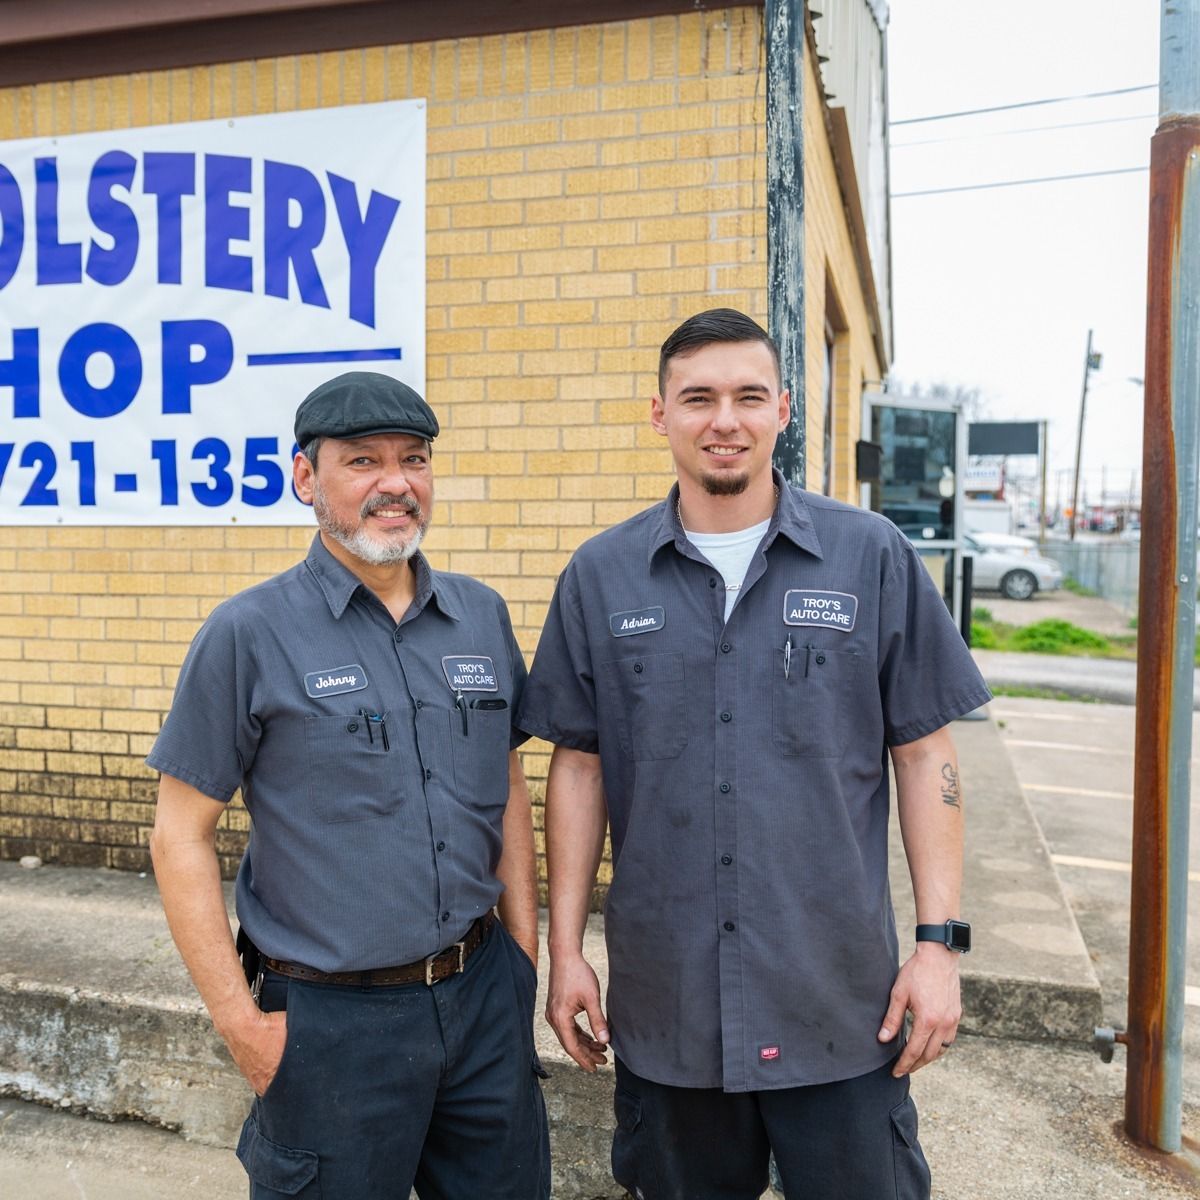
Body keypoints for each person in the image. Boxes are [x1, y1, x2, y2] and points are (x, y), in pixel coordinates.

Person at [517, 309, 990, 1200]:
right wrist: (566, 949)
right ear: (660, 414)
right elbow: (577, 767)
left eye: (747, 396)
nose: (723, 419)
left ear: (782, 409)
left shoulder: (870, 556)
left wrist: (939, 948)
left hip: (842, 1006)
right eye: (697, 397)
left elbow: (927, 755)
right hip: (669, 1013)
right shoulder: (600, 574)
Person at [148, 372, 550, 1200]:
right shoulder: (248, 634)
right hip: (332, 1028)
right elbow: (178, 835)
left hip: (483, 1007)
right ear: (305, 478)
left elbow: (505, 782)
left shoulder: (479, 616)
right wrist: (240, 1025)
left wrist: (523, 958)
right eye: (362, 461)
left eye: (414, 459)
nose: (395, 483)